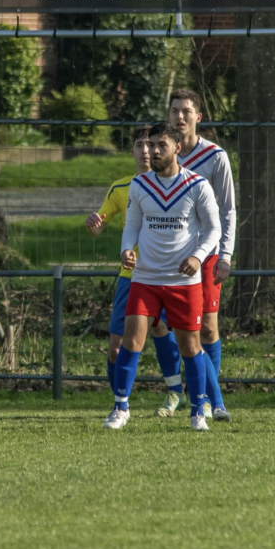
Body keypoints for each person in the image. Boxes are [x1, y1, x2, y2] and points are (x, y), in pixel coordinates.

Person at [110, 122, 221, 431]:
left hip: (183, 282)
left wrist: (197, 257)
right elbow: (132, 223)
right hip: (144, 278)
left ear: (177, 149)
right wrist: (126, 249)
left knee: (190, 347)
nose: (153, 151)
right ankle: (121, 409)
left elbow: (214, 230)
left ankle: (198, 410)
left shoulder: (197, 185)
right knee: (132, 340)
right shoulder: (140, 185)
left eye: (160, 145)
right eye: (149, 145)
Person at [85, 126, 180, 419]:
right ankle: (119, 402)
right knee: (117, 345)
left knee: (165, 330)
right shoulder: (121, 188)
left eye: (150, 145)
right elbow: (99, 227)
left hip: (166, 274)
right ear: (133, 152)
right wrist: (93, 225)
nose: (145, 151)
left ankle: (175, 394)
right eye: (139, 145)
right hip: (132, 276)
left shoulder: (174, 185)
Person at [156, 88, 236, 421]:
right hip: (167, 255)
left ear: (197, 117)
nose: (180, 116)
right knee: (164, 325)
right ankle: (182, 392)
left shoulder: (215, 157)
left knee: (207, 330)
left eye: (186, 111)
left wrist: (226, 254)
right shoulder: (160, 155)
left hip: (206, 255)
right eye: (174, 111)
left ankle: (204, 398)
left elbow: (229, 210)